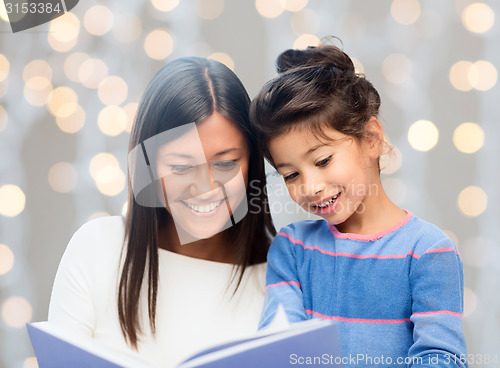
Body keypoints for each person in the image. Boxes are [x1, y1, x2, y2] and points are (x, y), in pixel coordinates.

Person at [249, 44, 468, 367]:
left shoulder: (428, 251)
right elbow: (280, 346)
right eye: (291, 174)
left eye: (323, 160)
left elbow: (442, 358)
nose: (310, 187)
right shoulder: (293, 249)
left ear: (371, 138)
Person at [48, 57, 275, 367]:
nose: (205, 186)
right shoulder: (96, 249)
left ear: (251, 164)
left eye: (225, 163)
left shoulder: (280, 275)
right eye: (181, 167)